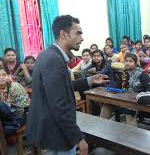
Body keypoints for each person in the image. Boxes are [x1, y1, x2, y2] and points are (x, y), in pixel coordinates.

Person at [26, 15, 109, 155]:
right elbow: (59, 104)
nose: (82, 38)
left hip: (52, 127)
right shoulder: (53, 60)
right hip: (56, 131)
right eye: (78, 33)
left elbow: (61, 87)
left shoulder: (48, 54)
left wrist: (89, 80)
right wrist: (78, 138)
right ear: (63, 34)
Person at [100, 53, 150, 126]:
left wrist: (140, 98)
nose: (128, 63)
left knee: (129, 111)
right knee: (106, 105)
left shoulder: (142, 73)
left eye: (130, 61)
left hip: (135, 101)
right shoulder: (123, 72)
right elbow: (117, 85)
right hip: (122, 99)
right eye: (126, 61)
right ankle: (101, 131)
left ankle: (132, 135)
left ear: (135, 63)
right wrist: (112, 90)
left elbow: (148, 89)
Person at [0, 68, 30, 135]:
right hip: (6, 120)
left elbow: (24, 108)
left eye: (4, 75)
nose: (1, 77)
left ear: (8, 76)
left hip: (19, 119)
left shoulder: (14, 85)